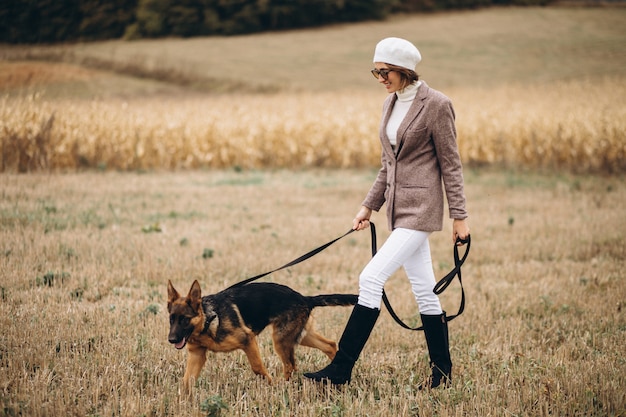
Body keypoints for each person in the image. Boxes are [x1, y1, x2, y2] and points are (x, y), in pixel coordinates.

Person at [303, 37, 470, 389]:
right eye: (375, 71)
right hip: (396, 209)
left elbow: (451, 165)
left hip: (422, 209)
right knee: (425, 291)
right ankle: (442, 373)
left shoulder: (437, 105)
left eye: (385, 71)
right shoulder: (388, 105)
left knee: (370, 278)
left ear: (405, 70)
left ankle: (341, 369)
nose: (379, 77)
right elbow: (387, 166)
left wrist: (460, 216)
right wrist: (368, 206)